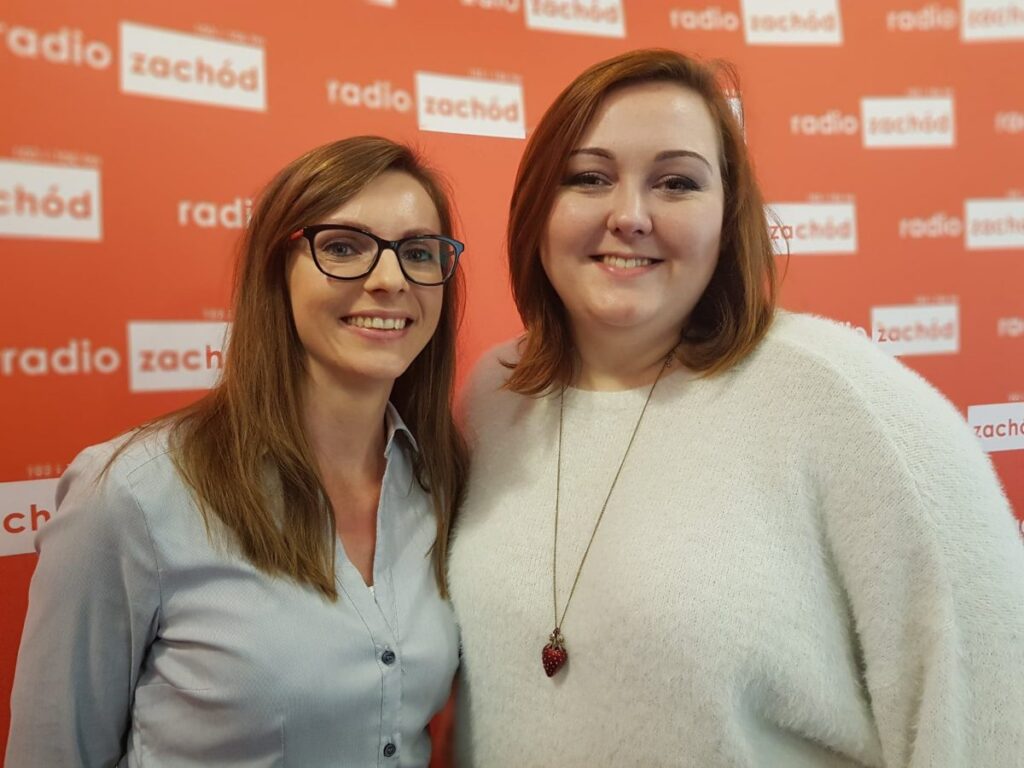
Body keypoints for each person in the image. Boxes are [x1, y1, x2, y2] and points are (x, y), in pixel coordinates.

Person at [448, 49, 1024, 767]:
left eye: (677, 182)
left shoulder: (846, 399)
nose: (629, 215)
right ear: (537, 205)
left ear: (728, 217)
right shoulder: (493, 396)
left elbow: (992, 707)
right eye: (589, 177)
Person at [7, 136, 468, 767]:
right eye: (343, 247)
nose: (390, 280)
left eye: (418, 252)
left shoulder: (440, 482)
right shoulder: (132, 494)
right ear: (276, 271)